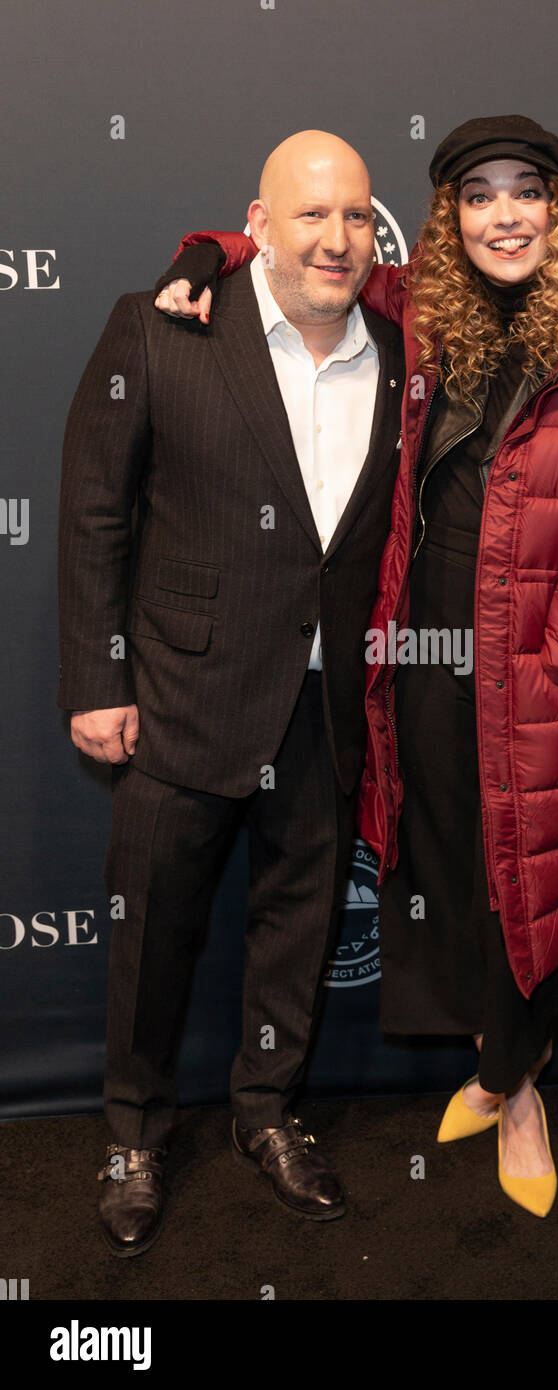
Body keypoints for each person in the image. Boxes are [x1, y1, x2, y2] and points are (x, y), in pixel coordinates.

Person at [155, 114, 558, 1218]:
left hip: (533, 667)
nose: (505, 214)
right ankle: (493, 1065)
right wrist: (198, 257)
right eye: (478, 195)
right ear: (451, 216)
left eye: (525, 190)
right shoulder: (421, 304)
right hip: (415, 651)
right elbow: (299, 252)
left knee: (529, 881)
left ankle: (515, 1084)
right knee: (448, 864)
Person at [57, 131, 405, 1255]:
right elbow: (96, 514)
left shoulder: (399, 355)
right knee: (153, 935)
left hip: (323, 704)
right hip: (179, 693)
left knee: (297, 928)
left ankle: (266, 1111)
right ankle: (135, 1134)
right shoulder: (162, 326)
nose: (336, 237)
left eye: (355, 215)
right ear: (256, 223)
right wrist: (100, 680)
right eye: (311, 215)